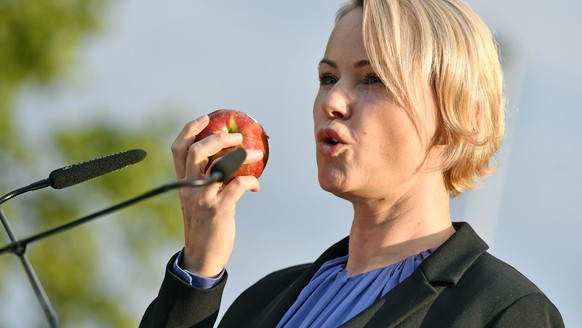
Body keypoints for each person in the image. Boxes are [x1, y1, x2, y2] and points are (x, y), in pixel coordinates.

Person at [140, 0, 564, 327]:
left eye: (372, 78)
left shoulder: (502, 310)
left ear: (460, 116)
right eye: (328, 78)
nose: (333, 101)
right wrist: (198, 265)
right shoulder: (262, 301)